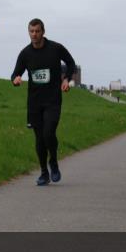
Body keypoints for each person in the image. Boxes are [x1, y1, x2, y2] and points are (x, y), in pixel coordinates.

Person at [11, 19, 76, 185]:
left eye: (37, 31)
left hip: (53, 100)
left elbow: (71, 63)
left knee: (48, 133)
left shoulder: (55, 48)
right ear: (28, 32)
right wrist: (16, 79)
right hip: (34, 103)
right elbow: (15, 73)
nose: (34, 34)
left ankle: (53, 162)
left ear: (43, 31)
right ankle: (43, 173)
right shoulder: (25, 54)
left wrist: (66, 79)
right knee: (39, 139)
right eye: (31, 31)